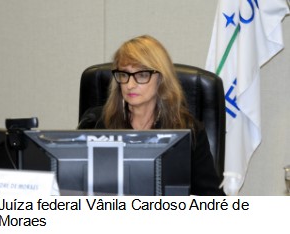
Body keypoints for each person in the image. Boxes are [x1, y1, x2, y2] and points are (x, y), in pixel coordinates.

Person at [79, 35, 225, 196]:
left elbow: (213, 200)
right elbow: (74, 187)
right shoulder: (97, 123)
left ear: (161, 79)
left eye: (142, 75)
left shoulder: (188, 130)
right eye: (124, 74)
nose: (130, 84)